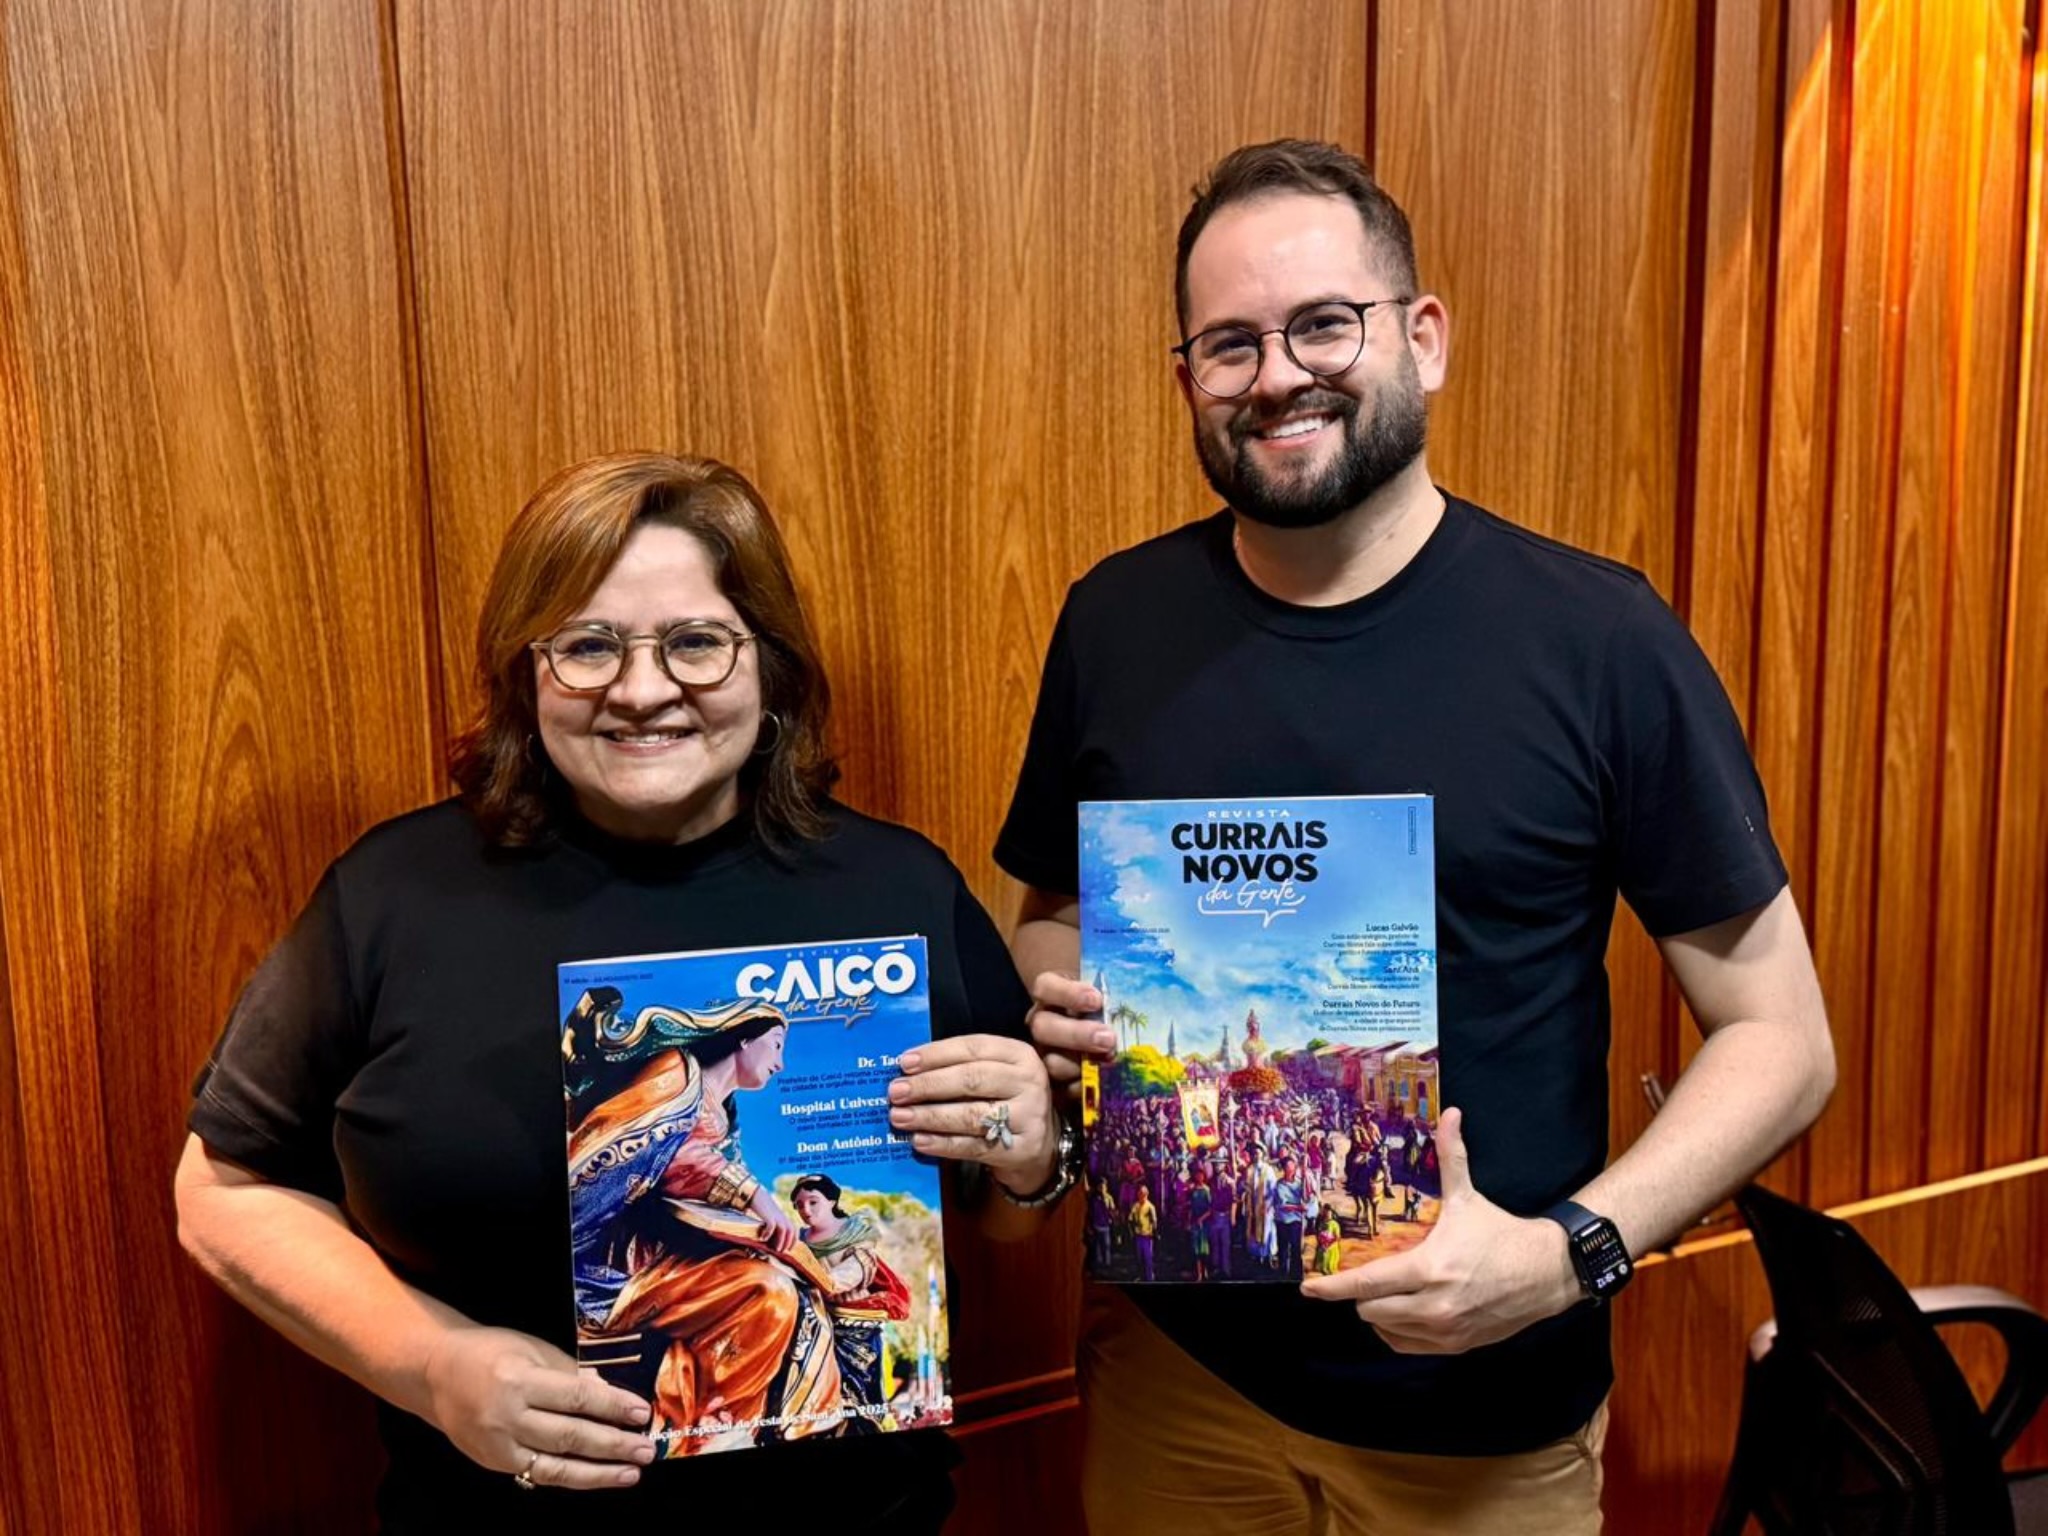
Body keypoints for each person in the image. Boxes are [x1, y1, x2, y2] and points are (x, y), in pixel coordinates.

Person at [997, 139, 1835, 1533]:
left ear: (1423, 339)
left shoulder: (1599, 642)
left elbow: (1782, 1039)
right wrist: (1072, 1006)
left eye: (1324, 324)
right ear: (1187, 380)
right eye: (1229, 344)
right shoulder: (1114, 621)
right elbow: (1048, 919)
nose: (1278, 375)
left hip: (1483, 1416)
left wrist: (1569, 1256)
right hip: (1176, 1386)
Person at [175, 452, 1066, 1533]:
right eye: (589, 645)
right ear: (527, 673)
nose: (642, 691)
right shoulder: (394, 896)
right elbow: (224, 1191)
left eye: (696, 641)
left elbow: (1000, 1209)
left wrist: (1031, 1155)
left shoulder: (898, 887)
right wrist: (432, 1366)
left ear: (769, 666)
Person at [790, 1172, 913, 1432]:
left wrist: (823, 1280)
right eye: (799, 1205)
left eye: (813, 1202)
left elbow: (853, 1272)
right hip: (815, 1319)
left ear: (832, 1201)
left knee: (858, 1389)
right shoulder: (799, 1240)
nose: (806, 1210)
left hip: (854, 1324)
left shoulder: (857, 1234)